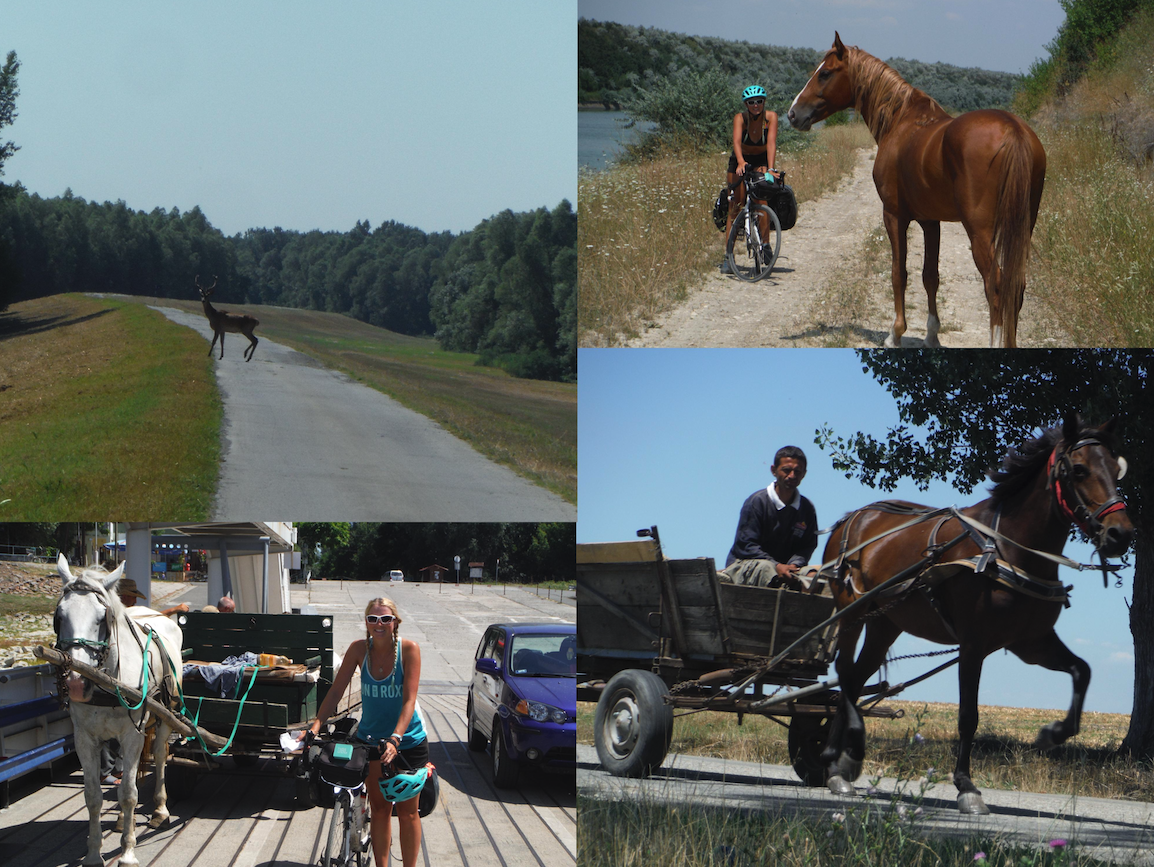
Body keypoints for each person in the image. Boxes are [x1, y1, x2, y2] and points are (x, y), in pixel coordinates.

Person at [302, 598, 428, 867]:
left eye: (385, 619)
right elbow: (336, 691)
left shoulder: (409, 650)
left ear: (395, 621)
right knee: (381, 810)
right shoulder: (359, 649)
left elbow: (409, 700)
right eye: (372, 619)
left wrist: (396, 738)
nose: (378, 624)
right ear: (366, 623)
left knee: (407, 813)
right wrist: (315, 725)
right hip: (370, 740)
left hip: (407, 741)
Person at [720, 445, 818, 589]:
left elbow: (807, 546)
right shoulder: (757, 502)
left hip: (788, 568)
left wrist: (793, 565)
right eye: (786, 470)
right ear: (773, 470)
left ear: (804, 474)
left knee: (814, 576)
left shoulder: (807, 508)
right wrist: (777, 566)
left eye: (797, 471)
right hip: (747, 565)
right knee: (767, 569)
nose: (792, 475)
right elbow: (746, 546)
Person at [722, 84, 781, 271]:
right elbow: (736, 142)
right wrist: (740, 162)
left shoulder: (771, 118)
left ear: (764, 102)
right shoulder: (740, 119)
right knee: (736, 205)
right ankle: (728, 257)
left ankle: (765, 244)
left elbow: (771, 143)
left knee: (761, 199)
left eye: (759, 101)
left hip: (761, 159)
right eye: (751, 102)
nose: (756, 105)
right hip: (740, 159)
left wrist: (770, 168)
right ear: (746, 104)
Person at [116, 577, 189, 617]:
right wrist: (174, 609)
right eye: (134, 598)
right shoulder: (121, 614)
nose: (135, 602)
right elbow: (151, 617)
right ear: (125, 597)